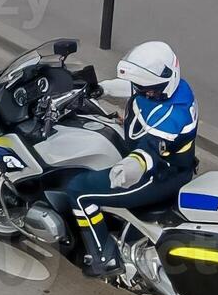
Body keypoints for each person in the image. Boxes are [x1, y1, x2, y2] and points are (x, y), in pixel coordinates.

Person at [57, 40, 199, 278]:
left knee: (79, 191)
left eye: (147, 89)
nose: (143, 91)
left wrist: (134, 164)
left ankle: (104, 257)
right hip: (171, 168)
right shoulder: (170, 90)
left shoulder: (174, 115)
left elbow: (151, 149)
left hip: (159, 176)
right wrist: (103, 89)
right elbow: (134, 89)